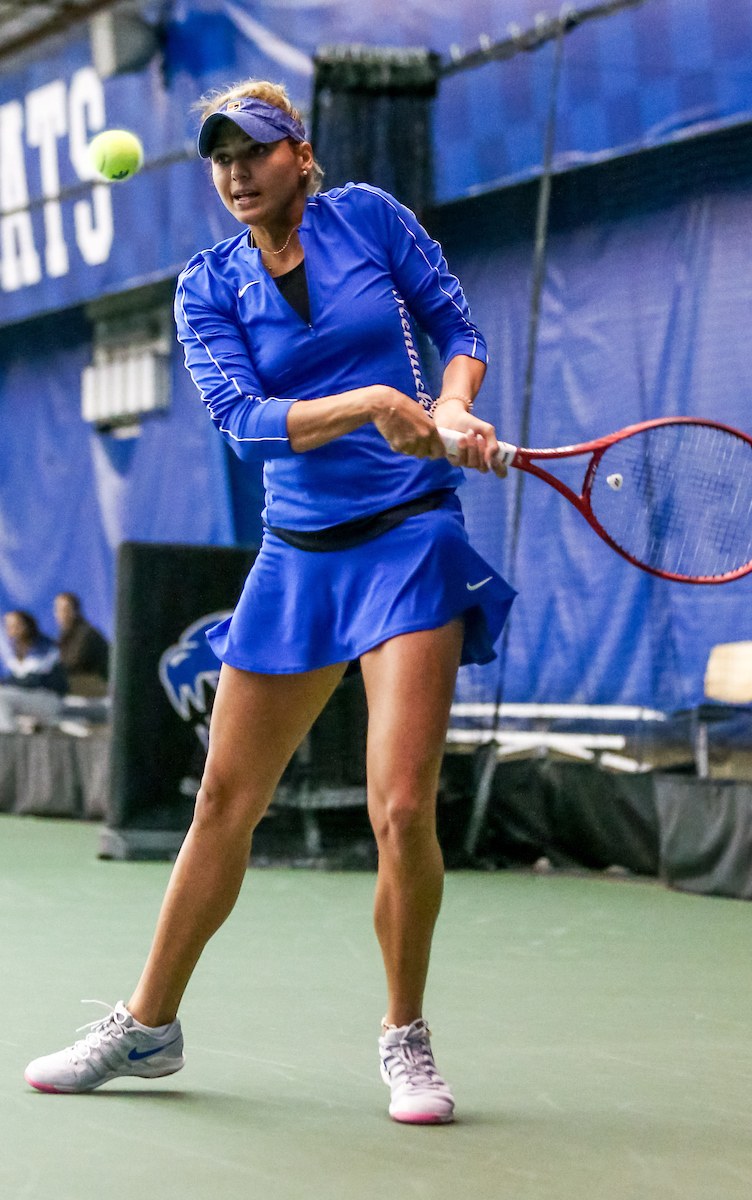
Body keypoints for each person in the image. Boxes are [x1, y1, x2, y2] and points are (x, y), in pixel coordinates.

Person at [24, 82, 515, 1123]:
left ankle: (405, 1038)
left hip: (409, 541)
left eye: (253, 151)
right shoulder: (207, 285)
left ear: (300, 153)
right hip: (297, 555)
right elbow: (242, 422)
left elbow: (456, 324)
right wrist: (374, 403)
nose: (236, 173)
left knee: (400, 807)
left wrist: (453, 403)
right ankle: (148, 1027)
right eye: (220, 159)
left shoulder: (370, 219)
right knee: (222, 804)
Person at [0, 610, 68, 733]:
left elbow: (33, 680)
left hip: (49, 699)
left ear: (26, 625)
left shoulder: (44, 646)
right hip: (29, 698)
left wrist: (4, 682)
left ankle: (7, 739)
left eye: (15, 625)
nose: (10, 629)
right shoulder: (16, 649)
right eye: (8, 625)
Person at [53, 592, 109, 696]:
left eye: (65, 610)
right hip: (82, 685)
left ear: (75, 611)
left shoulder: (86, 634)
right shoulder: (66, 635)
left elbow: (73, 664)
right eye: (58, 610)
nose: (61, 614)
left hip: (97, 687)